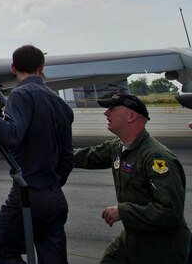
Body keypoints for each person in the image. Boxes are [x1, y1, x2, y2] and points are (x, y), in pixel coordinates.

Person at [0, 45, 74, 263]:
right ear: (41, 67)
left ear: (13, 67)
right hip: (55, 195)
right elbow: (67, 155)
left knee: (5, 247)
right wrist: (53, 183)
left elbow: (11, 136)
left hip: (29, 192)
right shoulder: (60, 102)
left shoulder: (21, 94)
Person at [74, 93, 190, 263]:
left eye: (112, 109)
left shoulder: (156, 158)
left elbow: (169, 212)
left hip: (162, 246)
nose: (106, 113)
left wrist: (123, 211)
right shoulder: (118, 147)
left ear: (131, 116)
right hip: (133, 238)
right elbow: (84, 156)